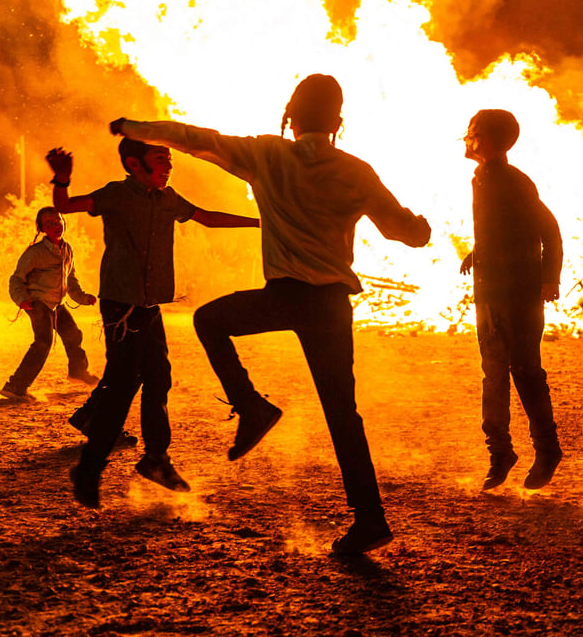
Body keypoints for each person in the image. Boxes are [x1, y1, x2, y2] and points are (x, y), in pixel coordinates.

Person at [110, 73, 431, 555]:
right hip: (330, 305)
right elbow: (403, 232)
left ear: (289, 117)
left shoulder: (266, 154)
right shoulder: (356, 170)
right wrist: (419, 227)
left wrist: (135, 127)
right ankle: (370, 520)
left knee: (209, 320)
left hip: (284, 296)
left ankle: (253, 406)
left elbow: (194, 140)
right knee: (343, 414)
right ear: (338, 122)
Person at [48, 139, 260, 508]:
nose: (168, 166)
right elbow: (65, 206)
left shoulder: (169, 200)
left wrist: (262, 222)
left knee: (159, 377)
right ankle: (89, 468)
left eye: (170, 161)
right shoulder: (115, 195)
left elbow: (207, 218)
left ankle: (156, 459)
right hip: (121, 308)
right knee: (123, 385)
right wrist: (62, 179)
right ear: (134, 164)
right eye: (159, 160)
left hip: (149, 306)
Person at [458, 109, 564, 491]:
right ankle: (500, 453)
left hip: (518, 294)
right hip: (489, 293)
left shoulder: (514, 182)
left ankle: (547, 449)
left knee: (524, 371)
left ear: (487, 140)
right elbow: (497, 229)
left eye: (472, 133)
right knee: (494, 375)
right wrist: (477, 252)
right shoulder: (482, 179)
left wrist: (548, 279)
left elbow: (548, 230)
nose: (466, 139)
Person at [0, 207, 98, 401]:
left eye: (58, 221)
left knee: (73, 335)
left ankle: (78, 372)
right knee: (43, 342)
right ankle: (15, 387)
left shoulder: (67, 249)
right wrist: (22, 300)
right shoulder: (35, 253)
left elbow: (71, 279)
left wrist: (82, 297)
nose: (56, 226)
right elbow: (16, 279)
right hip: (37, 303)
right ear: (42, 228)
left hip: (56, 304)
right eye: (49, 223)